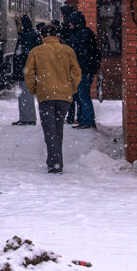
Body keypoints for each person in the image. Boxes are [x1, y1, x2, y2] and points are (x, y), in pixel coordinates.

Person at [23, 24, 81, 174]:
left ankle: (55, 163)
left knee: (50, 130)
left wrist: (35, 89)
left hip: (46, 95)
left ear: (42, 36)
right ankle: (54, 160)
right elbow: (76, 72)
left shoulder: (36, 52)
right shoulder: (67, 50)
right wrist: (71, 88)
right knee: (58, 128)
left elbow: (28, 73)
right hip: (64, 96)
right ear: (56, 35)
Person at [66, 11, 101, 129]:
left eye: (70, 21)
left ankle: (88, 120)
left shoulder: (82, 34)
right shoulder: (84, 33)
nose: (69, 24)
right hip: (86, 68)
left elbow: (81, 54)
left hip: (84, 69)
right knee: (82, 94)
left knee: (83, 94)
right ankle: (83, 119)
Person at [10, 14, 40, 125]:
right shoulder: (27, 35)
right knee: (24, 95)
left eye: (18, 24)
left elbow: (26, 56)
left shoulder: (28, 36)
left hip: (26, 71)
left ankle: (28, 118)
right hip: (25, 71)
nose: (16, 26)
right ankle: (25, 117)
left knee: (26, 95)